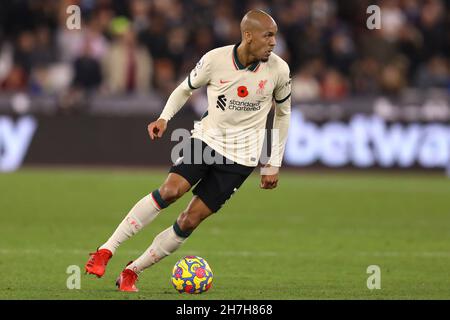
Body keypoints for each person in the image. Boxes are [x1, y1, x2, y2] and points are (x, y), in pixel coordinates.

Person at [84, 9, 291, 292]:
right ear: (248, 35)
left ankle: (132, 270)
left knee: (189, 220)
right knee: (170, 191)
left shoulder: (279, 70)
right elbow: (185, 89)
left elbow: (282, 114)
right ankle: (106, 250)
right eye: (268, 35)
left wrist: (273, 162)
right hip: (206, 141)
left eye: (275, 37)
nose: (273, 42)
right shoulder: (215, 60)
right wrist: (164, 118)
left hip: (242, 159)